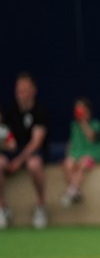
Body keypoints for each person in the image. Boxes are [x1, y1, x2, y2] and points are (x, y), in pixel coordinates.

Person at [0, 72, 49, 229]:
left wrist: (18, 161)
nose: (20, 93)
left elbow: (36, 142)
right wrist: (7, 144)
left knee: (33, 164)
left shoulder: (40, 111)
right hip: (13, 153)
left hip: (32, 153)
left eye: (24, 89)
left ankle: (41, 206)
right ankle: (2, 208)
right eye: (18, 89)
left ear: (33, 90)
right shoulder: (10, 111)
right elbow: (6, 138)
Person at [60, 96, 100, 207]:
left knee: (83, 163)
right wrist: (68, 155)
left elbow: (92, 137)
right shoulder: (74, 125)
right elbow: (71, 142)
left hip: (92, 155)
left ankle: (71, 192)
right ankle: (75, 192)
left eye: (81, 109)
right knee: (68, 163)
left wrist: (83, 122)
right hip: (76, 154)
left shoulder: (95, 124)